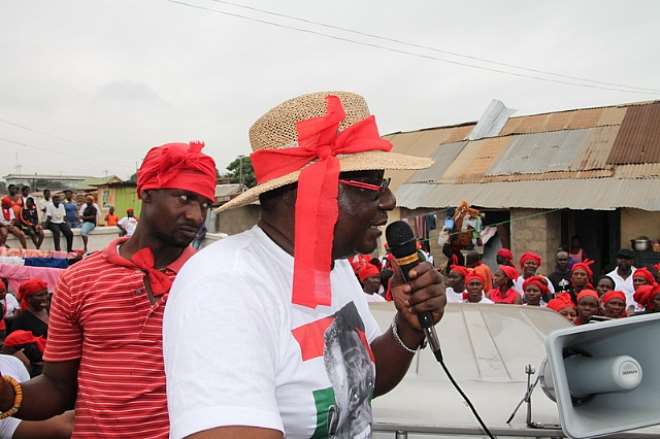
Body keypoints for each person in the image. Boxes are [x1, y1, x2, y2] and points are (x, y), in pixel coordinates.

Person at [163, 92, 444, 439]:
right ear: (302, 194)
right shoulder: (224, 287)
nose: (388, 200)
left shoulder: (334, 267)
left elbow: (357, 386)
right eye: (372, 184)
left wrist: (409, 326)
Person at [0, 141, 217, 438]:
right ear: (147, 194)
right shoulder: (80, 279)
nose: (196, 215)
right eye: (184, 198)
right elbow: (57, 387)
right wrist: (7, 395)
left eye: (205, 204)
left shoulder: (214, 280)